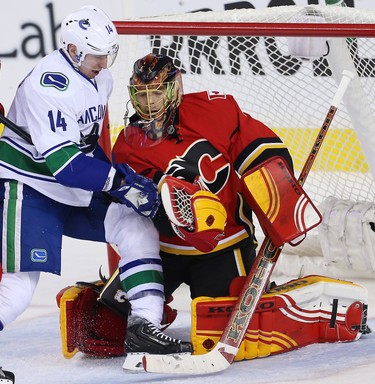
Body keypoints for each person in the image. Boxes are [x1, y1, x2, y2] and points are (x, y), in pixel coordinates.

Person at [0, 7, 192, 368]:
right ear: (72, 51)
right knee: (19, 288)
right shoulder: (49, 85)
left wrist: (117, 177)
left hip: (72, 186)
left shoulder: (100, 78)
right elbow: (66, 165)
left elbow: (87, 145)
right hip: (30, 187)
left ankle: (144, 328)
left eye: (108, 54)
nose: (104, 62)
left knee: (136, 227)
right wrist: (120, 183)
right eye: (95, 55)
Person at [112, 53, 294, 304]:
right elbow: (143, 202)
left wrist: (281, 201)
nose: (150, 102)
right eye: (142, 95)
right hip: (161, 249)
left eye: (156, 93)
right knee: (113, 318)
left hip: (224, 245)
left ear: (174, 88)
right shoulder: (128, 144)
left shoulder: (213, 110)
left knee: (219, 320)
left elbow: (262, 151)